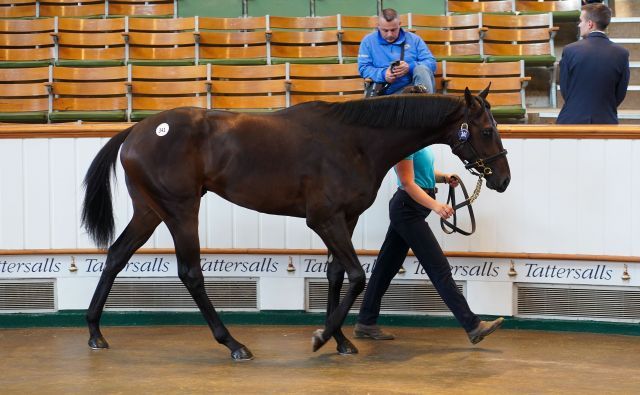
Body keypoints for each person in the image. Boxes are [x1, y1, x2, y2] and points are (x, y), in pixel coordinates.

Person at [354, 147, 504, 344]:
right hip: (407, 211)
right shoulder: (404, 141)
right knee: (439, 269)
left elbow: (422, 172)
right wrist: (436, 206)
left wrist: (443, 177)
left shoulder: (418, 141)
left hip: (410, 209)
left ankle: (365, 322)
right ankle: (473, 325)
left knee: (385, 268)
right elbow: (407, 182)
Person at [557, 2, 630, 124]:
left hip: (572, 120)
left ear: (590, 24)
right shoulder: (622, 53)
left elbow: (565, 88)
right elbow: (620, 93)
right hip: (606, 120)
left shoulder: (570, 50)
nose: (579, 25)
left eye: (581, 21)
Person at [358, 8, 437, 96]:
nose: (389, 34)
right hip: (385, 93)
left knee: (421, 69)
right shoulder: (368, 41)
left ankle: (424, 104)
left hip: (412, 89)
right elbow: (363, 69)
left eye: (393, 30)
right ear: (378, 26)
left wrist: (410, 67)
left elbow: (432, 63)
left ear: (399, 24)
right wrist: (383, 74)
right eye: (385, 30)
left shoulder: (414, 39)